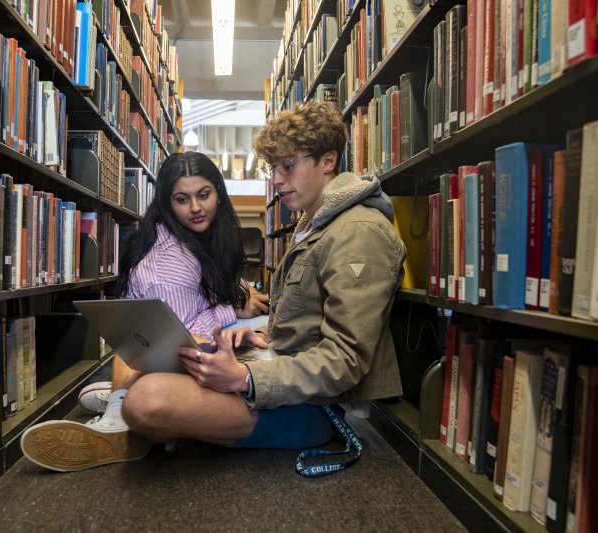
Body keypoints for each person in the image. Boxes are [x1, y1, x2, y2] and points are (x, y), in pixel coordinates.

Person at [21, 102, 405, 473]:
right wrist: (258, 336)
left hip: (315, 407)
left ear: (328, 160)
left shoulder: (357, 233)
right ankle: (136, 415)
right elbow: (307, 323)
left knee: (147, 399)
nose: (275, 179)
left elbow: (346, 361)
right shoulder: (314, 223)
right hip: (279, 377)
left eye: (288, 166)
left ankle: (130, 419)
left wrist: (244, 378)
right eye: (274, 167)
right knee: (139, 345)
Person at [76, 151, 269, 416]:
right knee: (253, 372)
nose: (196, 208)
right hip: (164, 357)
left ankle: (121, 394)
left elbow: (215, 280)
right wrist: (232, 307)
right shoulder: (167, 266)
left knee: (263, 338)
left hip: (157, 355)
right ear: (168, 204)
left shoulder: (195, 235)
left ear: (219, 194)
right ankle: (127, 401)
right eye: (182, 199)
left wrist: (241, 290)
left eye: (204, 195)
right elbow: (180, 340)